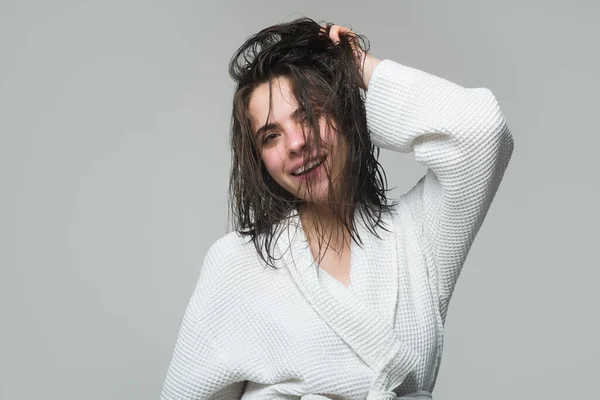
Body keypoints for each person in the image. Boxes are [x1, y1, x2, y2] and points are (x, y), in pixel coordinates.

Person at [160, 17, 514, 400]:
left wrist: (356, 65)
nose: (296, 143)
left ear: (346, 112)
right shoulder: (235, 264)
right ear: (259, 159)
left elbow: (481, 132)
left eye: (310, 114)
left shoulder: (419, 238)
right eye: (271, 136)